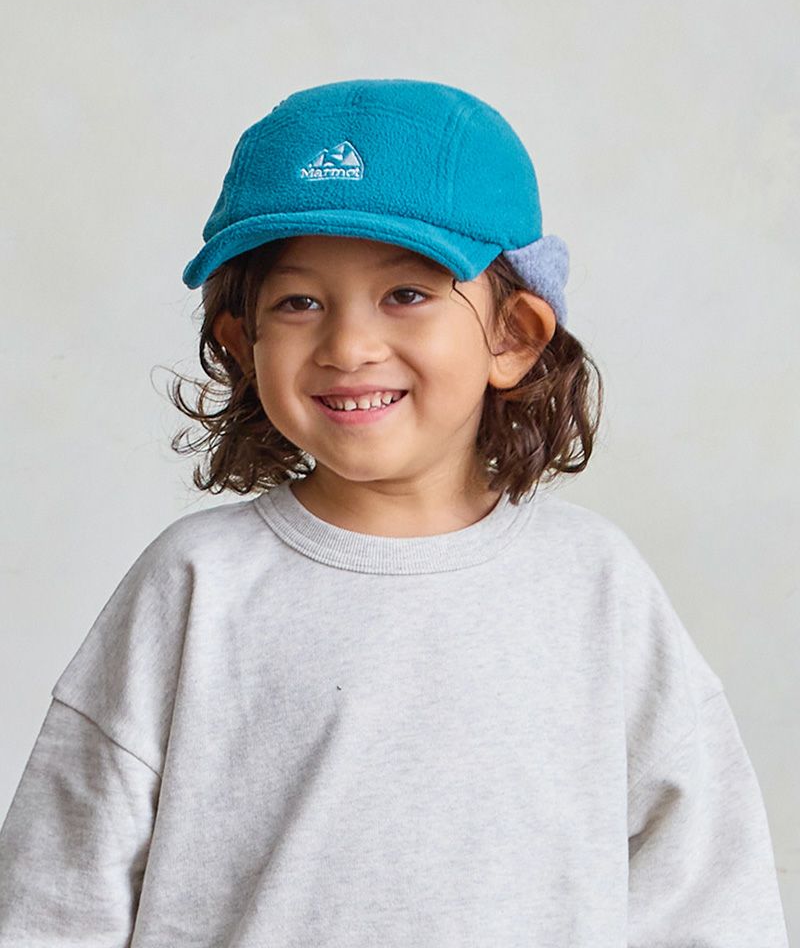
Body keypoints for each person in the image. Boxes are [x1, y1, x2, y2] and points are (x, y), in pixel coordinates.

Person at [0, 78, 789, 946]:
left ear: (513, 335)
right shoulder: (195, 582)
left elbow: (708, 892)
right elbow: (54, 893)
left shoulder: (595, 584)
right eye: (298, 302)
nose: (348, 346)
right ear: (242, 344)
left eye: (406, 294)